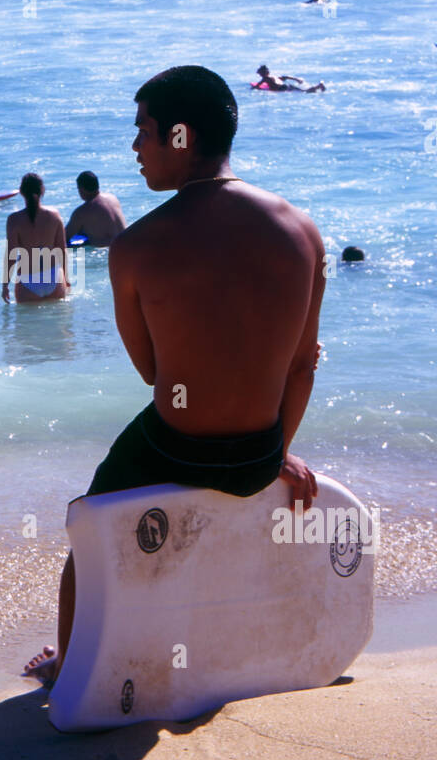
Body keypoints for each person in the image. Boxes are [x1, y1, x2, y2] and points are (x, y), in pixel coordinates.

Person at [23, 66, 324, 685]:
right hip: (259, 455)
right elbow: (301, 363)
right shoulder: (302, 231)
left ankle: (67, 664)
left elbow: (152, 373)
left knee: (89, 526)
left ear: (179, 136)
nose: (135, 147)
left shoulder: (136, 248)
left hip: (174, 450)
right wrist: (276, 452)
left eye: (144, 131)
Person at [4, 174, 69, 305]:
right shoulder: (54, 215)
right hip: (54, 278)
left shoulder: (14, 220)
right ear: (42, 190)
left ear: (21, 192)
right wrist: (66, 278)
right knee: (57, 324)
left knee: (28, 325)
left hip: (27, 282)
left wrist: (5, 285)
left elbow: (11, 255)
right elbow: (62, 250)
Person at [65, 171, 127, 246]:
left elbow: (63, 238)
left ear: (81, 189)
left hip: (107, 251)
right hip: (126, 244)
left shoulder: (82, 212)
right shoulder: (113, 198)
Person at [255, 64, 325, 93]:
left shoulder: (265, 78)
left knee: (304, 92)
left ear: (263, 73)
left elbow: (257, 86)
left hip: (282, 88)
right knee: (304, 91)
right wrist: (296, 79)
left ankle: (318, 86)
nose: (259, 75)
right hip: (287, 85)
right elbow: (286, 77)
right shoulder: (274, 76)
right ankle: (318, 86)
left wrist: (254, 88)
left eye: (260, 73)